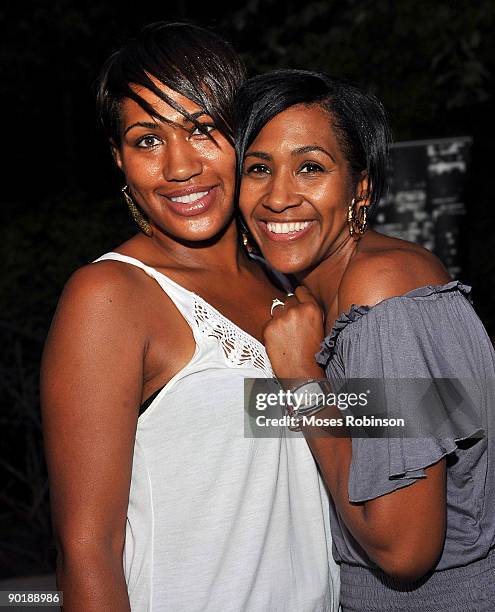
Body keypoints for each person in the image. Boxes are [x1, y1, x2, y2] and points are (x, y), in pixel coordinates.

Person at [41, 30, 340, 611]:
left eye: (203, 129)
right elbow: (86, 550)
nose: (179, 166)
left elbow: (400, 436)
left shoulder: (290, 282)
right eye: (147, 139)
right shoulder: (111, 296)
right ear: (118, 157)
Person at [235, 69, 495, 611]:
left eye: (310, 168)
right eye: (258, 168)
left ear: (361, 187)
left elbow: (405, 551)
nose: (278, 196)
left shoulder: (382, 294)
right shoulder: (322, 295)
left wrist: (302, 384)